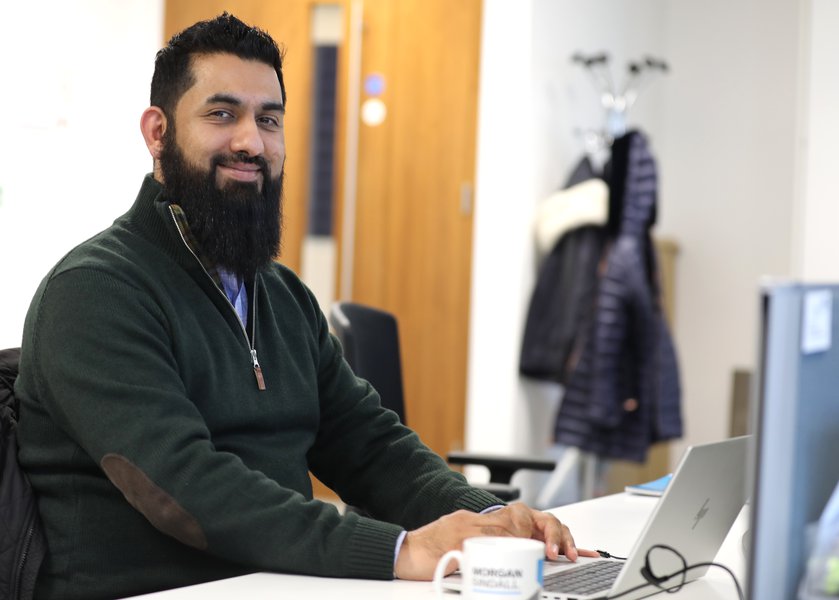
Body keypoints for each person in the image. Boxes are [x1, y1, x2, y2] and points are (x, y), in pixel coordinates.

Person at [15, 13, 596, 600]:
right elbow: (185, 489)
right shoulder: (94, 291)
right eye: (222, 114)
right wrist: (399, 550)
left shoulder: (283, 297)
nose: (251, 141)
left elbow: (370, 448)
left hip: (278, 585)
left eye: (269, 120)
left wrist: (490, 520)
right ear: (157, 133)